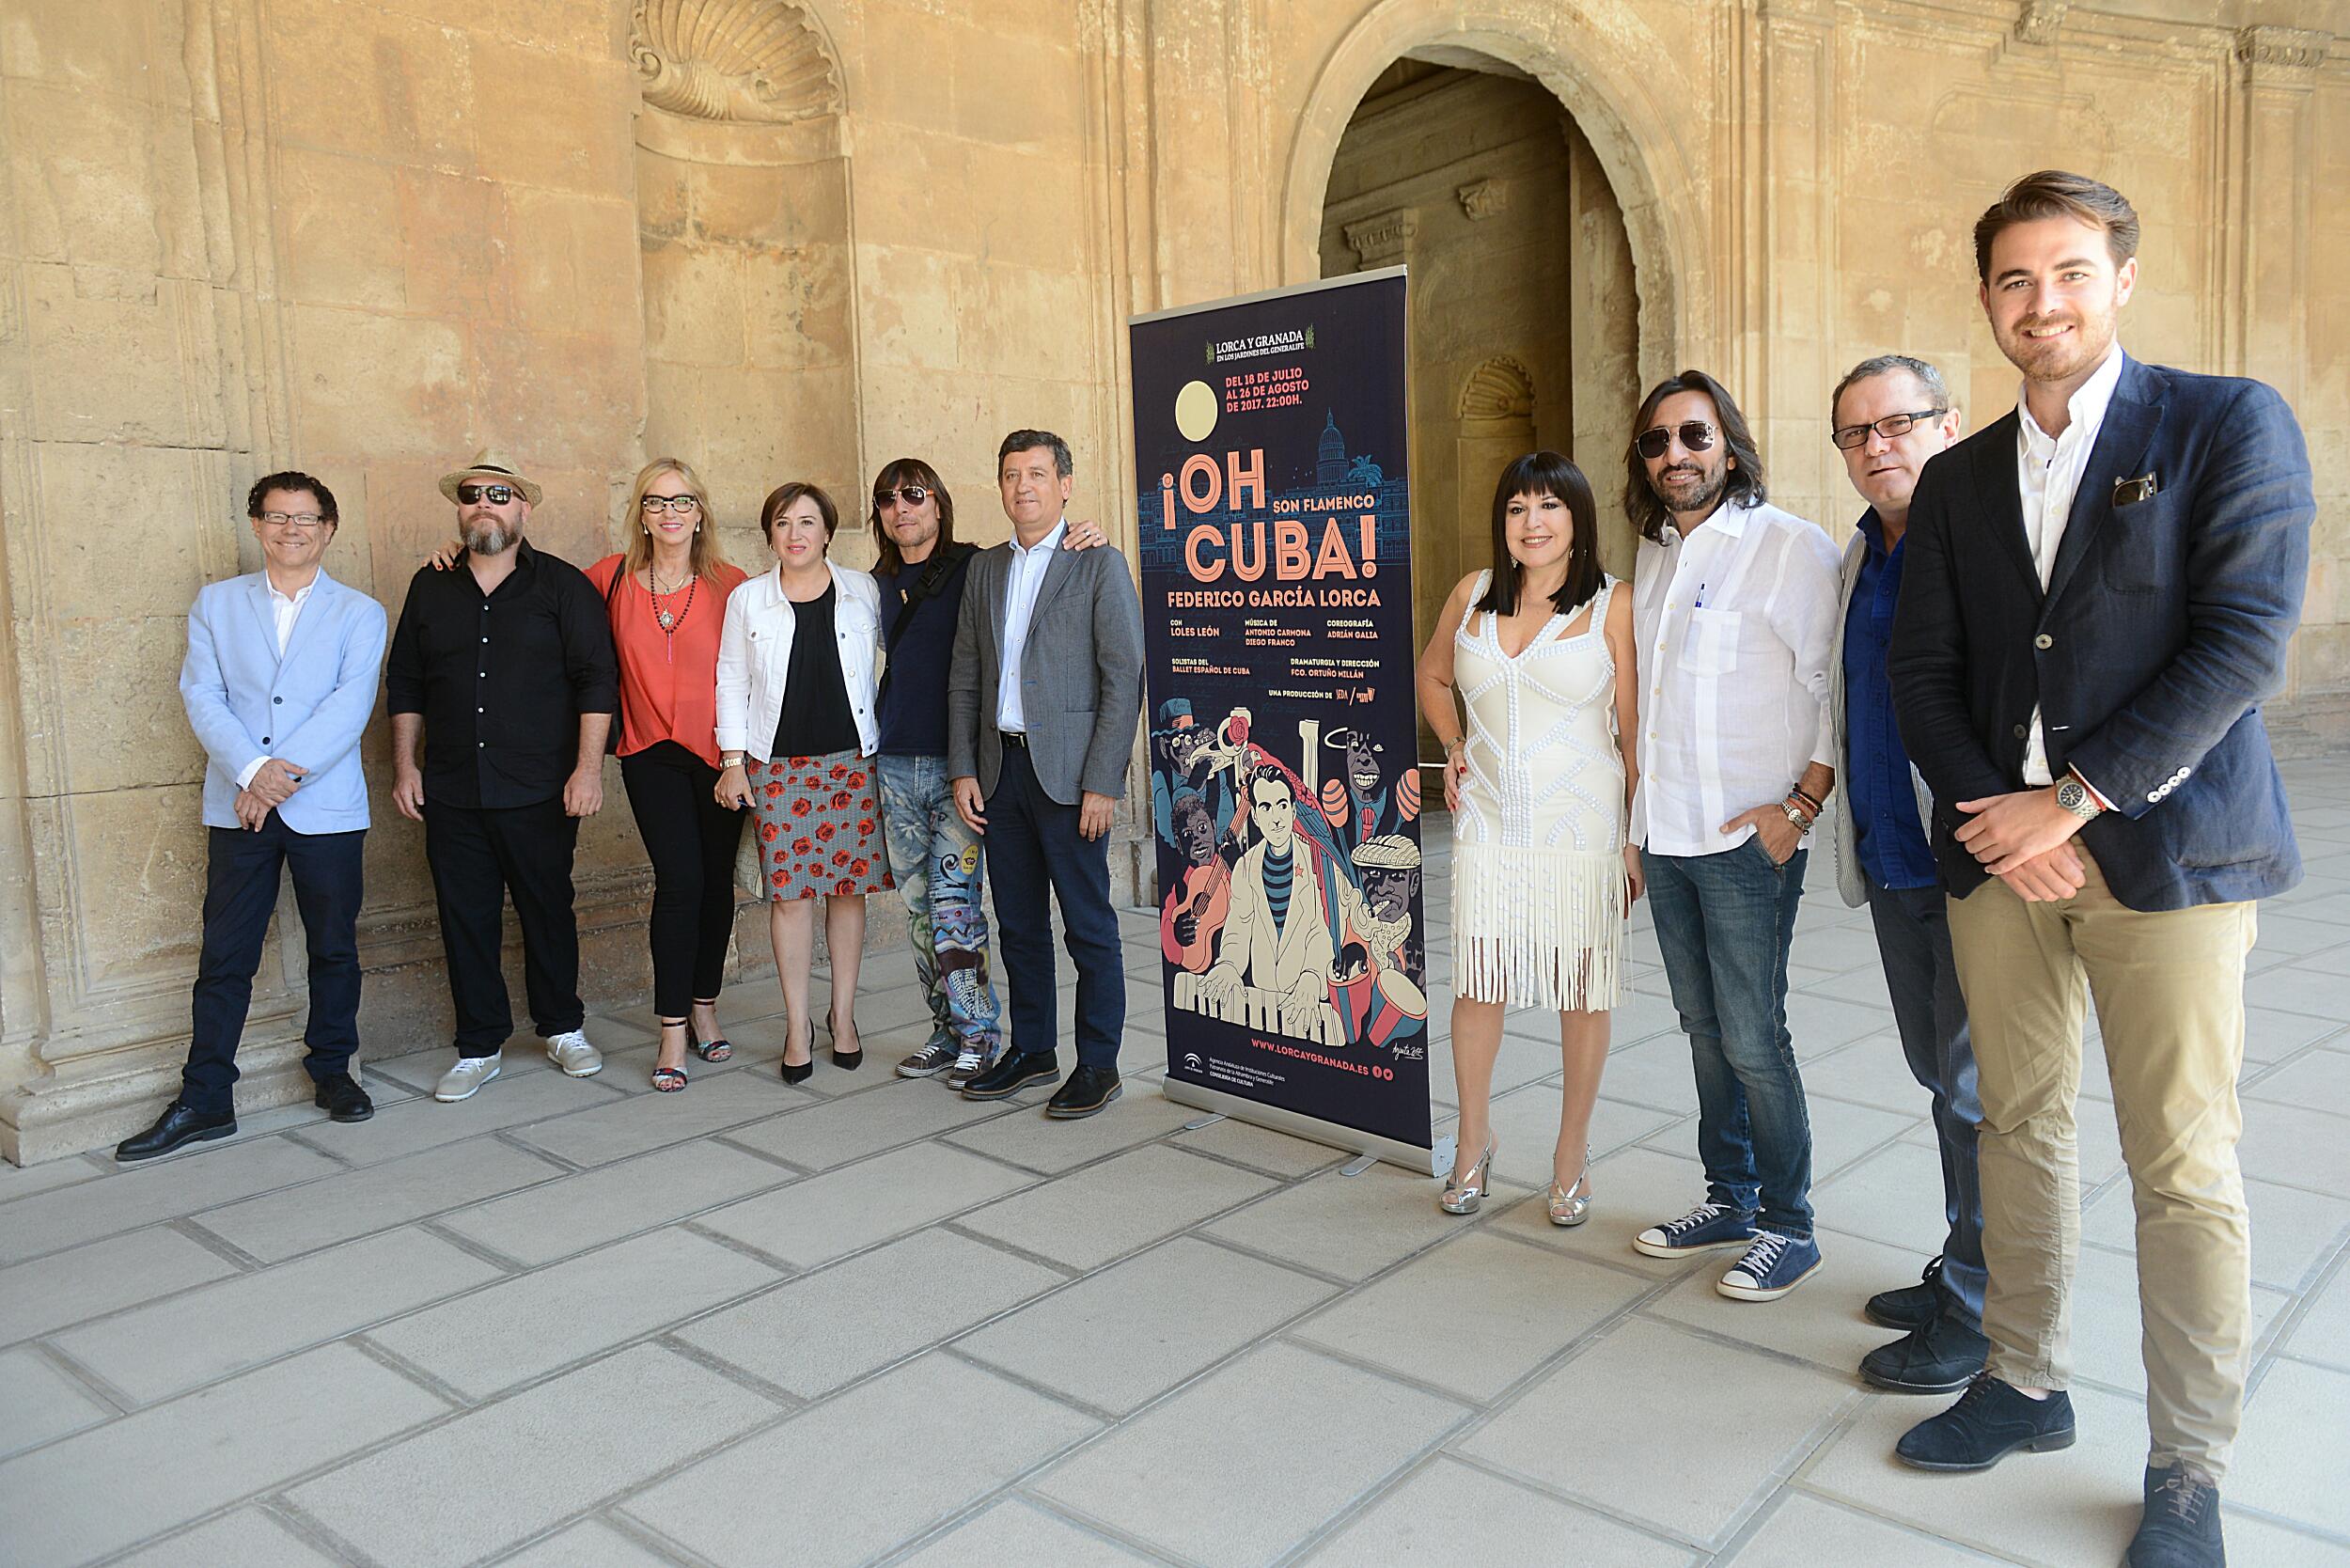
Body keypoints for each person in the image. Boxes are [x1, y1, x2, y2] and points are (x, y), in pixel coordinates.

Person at [1887, 171, 2311, 1568]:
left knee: (2180, 1162)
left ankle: (2188, 1467)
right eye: (2015, 280)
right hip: (2001, 863)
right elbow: (1922, 669)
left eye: (2069, 272)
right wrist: (1993, 815)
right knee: (2017, 1123)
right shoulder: (1956, 479)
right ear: (1987, 299)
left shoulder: (2223, 423)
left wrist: (2065, 806)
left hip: (2164, 854)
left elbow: (2241, 646)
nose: (2042, 303)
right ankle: (2024, 1380)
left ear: (2120, 278)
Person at [1624, 371, 1841, 1302]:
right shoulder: (1653, 556)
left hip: (1749, 844)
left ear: (1728, 446)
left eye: (1694, 435)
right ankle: (1731, 1199)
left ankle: (1789, 1226)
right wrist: (1633, 831)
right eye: (1657, 441)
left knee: (1753, 1035)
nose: (1675, 454)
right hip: (1666, 837)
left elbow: (1831, 690)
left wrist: (1800, 808)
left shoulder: (1789, 547)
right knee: (1703, 1029)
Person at [117, 473, 388, 1160]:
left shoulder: (360, 612)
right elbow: (202, 695)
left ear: (329, 528)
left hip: (324, 808)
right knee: (225, 954)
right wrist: (250, 772)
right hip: (238, 805)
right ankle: (206, 1097)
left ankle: (334, 1070)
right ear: (257, 525)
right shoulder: (216, 603)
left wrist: (275, 780)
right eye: (277, 516)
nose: (291, 529)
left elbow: (348, 708)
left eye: (306, 518)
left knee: (334, 947)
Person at [1415, 451, 1640, 1224]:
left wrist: (1633, 841)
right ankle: (1473, 1141)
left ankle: (1570, 1156)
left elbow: (1634, 735)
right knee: (1478, 982)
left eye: (1549, 506)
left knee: (1582, 987)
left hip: (1582, 827)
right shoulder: (1472, 594)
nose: (1532, 522)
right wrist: (1453, 744)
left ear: (1577, 519)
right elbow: (1433, 676)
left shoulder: (1613, 604)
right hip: (1488, 821)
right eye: (1517, 508)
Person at [1821, 355, 1989, 1393]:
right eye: (1857, 433)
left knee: (1978, 1093)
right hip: (1891, 859)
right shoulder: (1859, 556)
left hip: (1972, 866)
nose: (1878, 446)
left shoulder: (1981, 542)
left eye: (1899, 423)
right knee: (1940, 1081)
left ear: (1948, 425)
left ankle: (1983, 1311)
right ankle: (1964, 1265)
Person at [868, 459, 1108, 1088]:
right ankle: (962, 1034)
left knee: (964, 911)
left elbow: (1113, 666)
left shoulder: (980, 566)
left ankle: (991, 1037)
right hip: (912, 765)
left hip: (985, 769)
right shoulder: (878, 585)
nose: (901, 507)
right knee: (935, 916)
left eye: (914, 494)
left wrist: (1086, 533)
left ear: (939, 503)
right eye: (888, 498)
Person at [388, 452, 618, 1103]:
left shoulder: (563, 586)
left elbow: (596, 680)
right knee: (464, 917)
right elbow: (405, 680)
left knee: (548, 910)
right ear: (460, 509)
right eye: (472, 495)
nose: (484, 504)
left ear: (523, 508)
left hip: (541, 788)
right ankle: (479, 1046)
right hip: (452, 788)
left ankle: (563, 1027)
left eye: (499, 494)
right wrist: (405, 765)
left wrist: (588, 770)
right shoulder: (430, 586)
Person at [948, 430, 1146, 1120]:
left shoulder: (1098, 563)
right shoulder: (986, 570)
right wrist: (963, 767)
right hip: (1000, 773)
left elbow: (1123, 679)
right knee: (1019, 924)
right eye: (1011, 475)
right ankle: (1033, 1050)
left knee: (1088, 926)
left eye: (1036, 473)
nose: (1022, 486)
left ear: (1065, 485)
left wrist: (1104, 782)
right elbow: (966, 675)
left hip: (1070, 779)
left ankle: (1099, 1064)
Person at [715, 482, 889, 1084]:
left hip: (851, 761)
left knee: (847, 891)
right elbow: (731, 679)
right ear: (770, 534)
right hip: (778, 766)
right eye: (784, 522)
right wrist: (732, 759)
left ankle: (842, 1015)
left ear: (827, 533)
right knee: (789, 897)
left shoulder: (863, 591)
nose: (796, 533)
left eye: (808, 522)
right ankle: (797, 1025)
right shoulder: (748, 600)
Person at [588, 461, 750, 1090]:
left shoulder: (731, 584)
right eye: (656, 502)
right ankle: (673, 1027)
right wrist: (456, 556)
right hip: (648, 751)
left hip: (722, 759)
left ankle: (705, 1005)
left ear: (700, 512)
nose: (670, 513)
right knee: (680, 880)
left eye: (683, 501)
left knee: (716, 884)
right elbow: (533, 591)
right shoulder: (609, 579)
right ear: (642, 515)